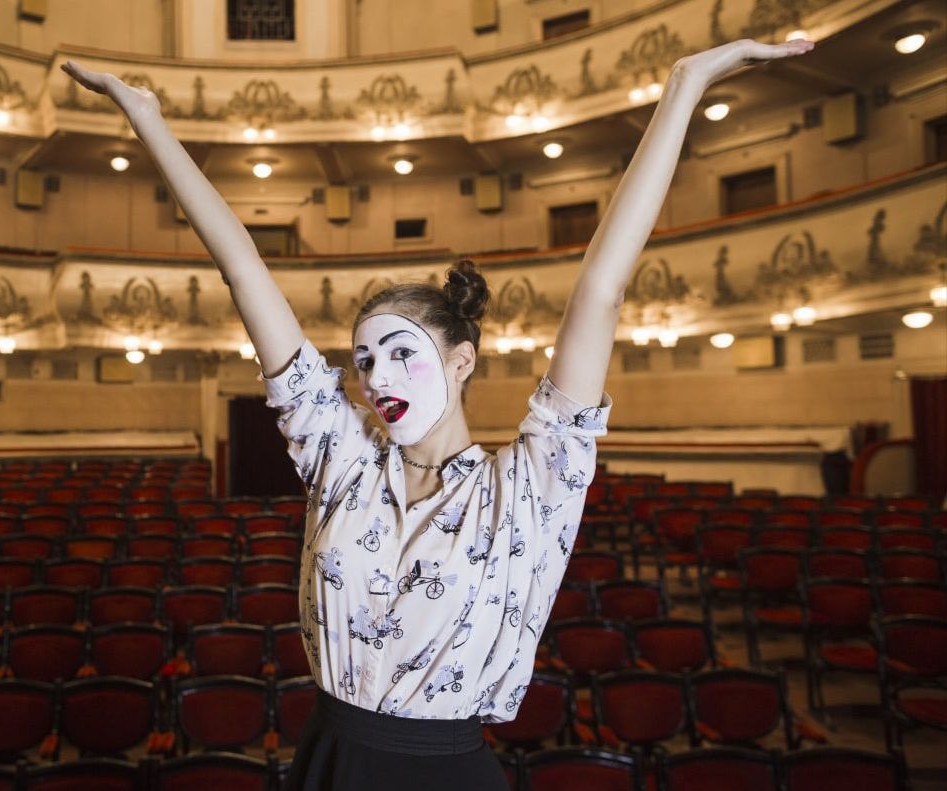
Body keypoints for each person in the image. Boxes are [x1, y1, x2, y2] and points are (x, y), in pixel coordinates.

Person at [63, 34, 814, 790]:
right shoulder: (342, 462)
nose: (375, 377)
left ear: (462, 361)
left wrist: (684, 85)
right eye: (363, 361)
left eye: (400, 353)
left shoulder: (531, 486)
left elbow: (601, 289)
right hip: (331, 756)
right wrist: (147, 118)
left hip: (448, 771)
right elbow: (241, 267)